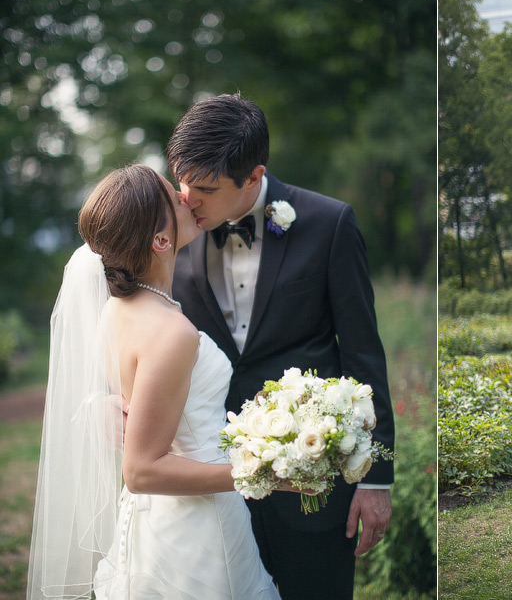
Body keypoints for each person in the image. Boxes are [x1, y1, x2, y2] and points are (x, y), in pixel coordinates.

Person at [167, 93, 395, 600]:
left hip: (315, 483)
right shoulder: (171, 232)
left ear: (253, 176)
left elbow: (362, 352)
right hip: (214, 483)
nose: (187, 199)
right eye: (181, 182)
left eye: (204, 188)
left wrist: (377, 478)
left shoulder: (330, 223)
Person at [27, 164, 289, 599]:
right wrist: (259, 472)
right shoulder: (171, 332)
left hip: (157, 521)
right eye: (174, 198)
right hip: (197, 527)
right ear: (161, 241)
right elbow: (142, 470)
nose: (187, 198)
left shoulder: (117, 309)